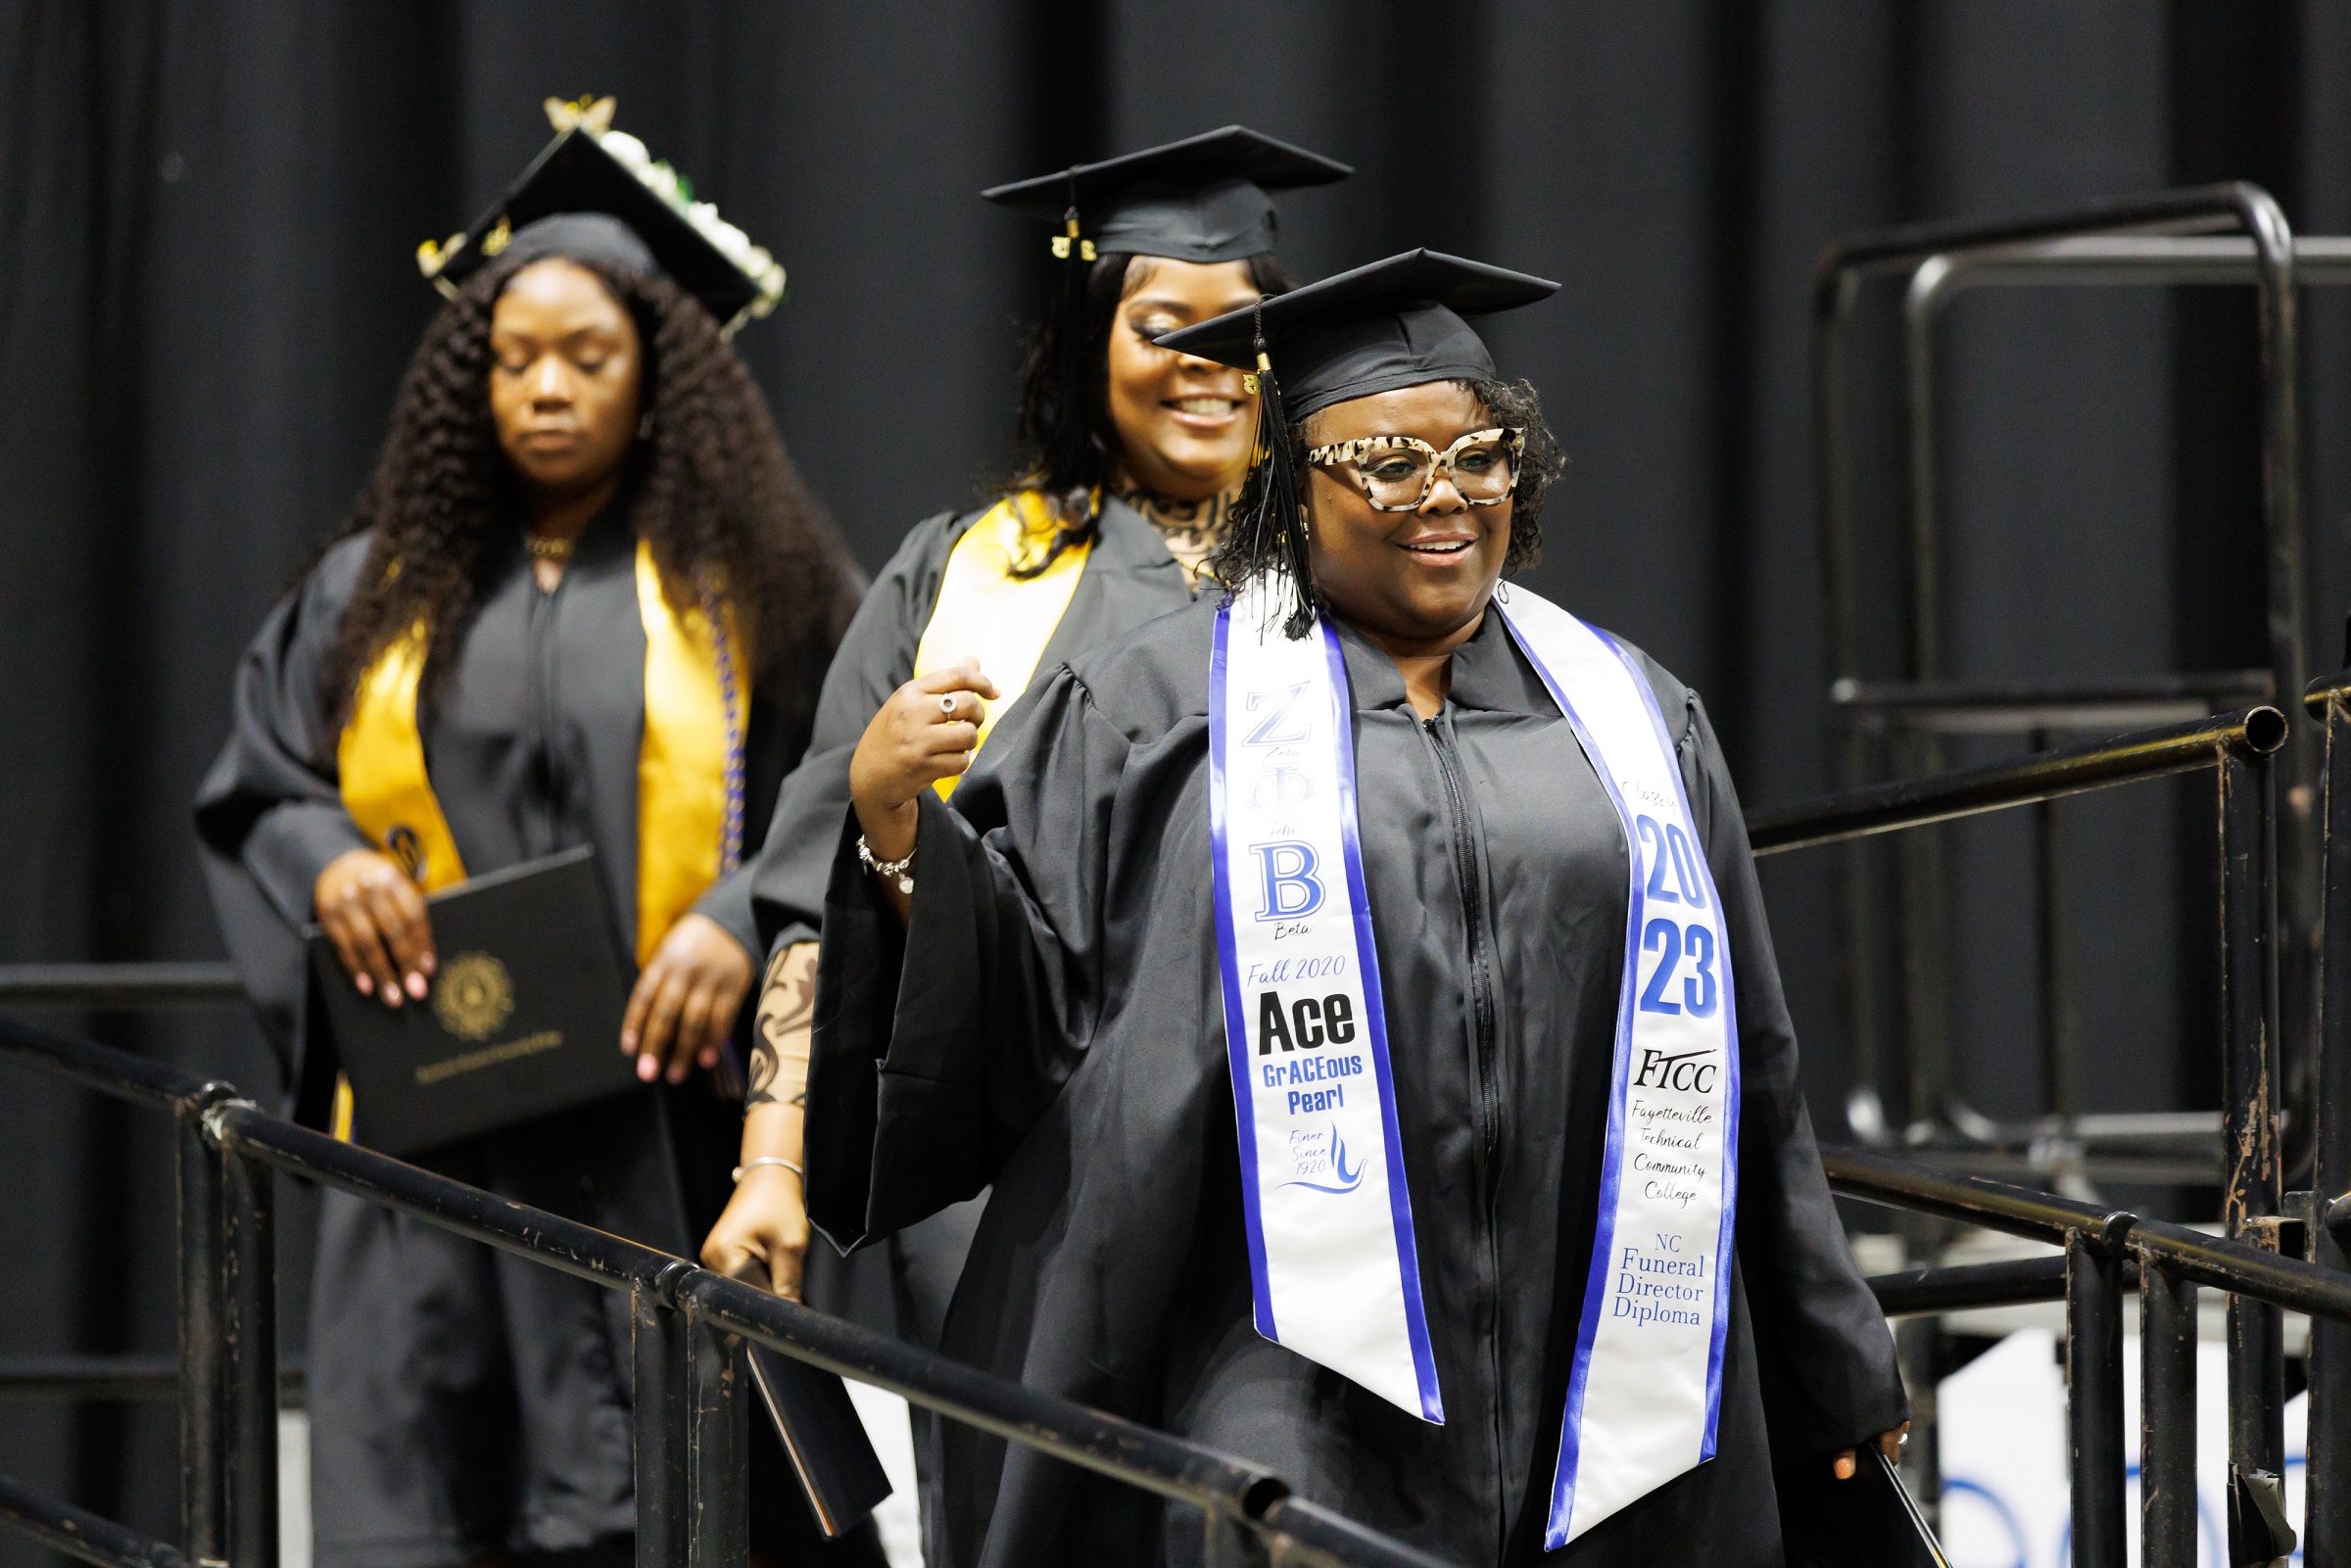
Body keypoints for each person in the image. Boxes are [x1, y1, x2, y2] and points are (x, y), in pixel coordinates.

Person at [806, 250, 1908, 1566]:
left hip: (1602, 1345)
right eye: (1385, 460)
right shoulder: (1149, 710)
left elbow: (1745, 1060)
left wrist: (1834, 1354)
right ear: (1292, 487)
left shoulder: (1633, 716)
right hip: (1273, 1351)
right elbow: (1008, 1006)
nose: (1443, 496)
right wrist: (892, 837)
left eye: (1482, 456)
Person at [194, 102, 868, 1568]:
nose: (544, 390)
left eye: (587, 358)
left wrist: (743, 913)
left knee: (684, 1499)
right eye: (512, 361)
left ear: (658, 377)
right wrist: (332, 862)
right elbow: (263, 782)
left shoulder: (752, 587)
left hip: (665, 1134)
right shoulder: (379, 591)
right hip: (437, 1139)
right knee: (437, 1498)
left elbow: (861, 785)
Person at [699, 126, 1349, 1337]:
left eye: (1240, 328)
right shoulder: (959, 576)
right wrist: (772, 1167)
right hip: (1011, 1181)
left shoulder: (1357, 580)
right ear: (1090, 345)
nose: (1206, 361)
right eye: (1163, 324)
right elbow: (813, 895)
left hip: (1301, 1155)